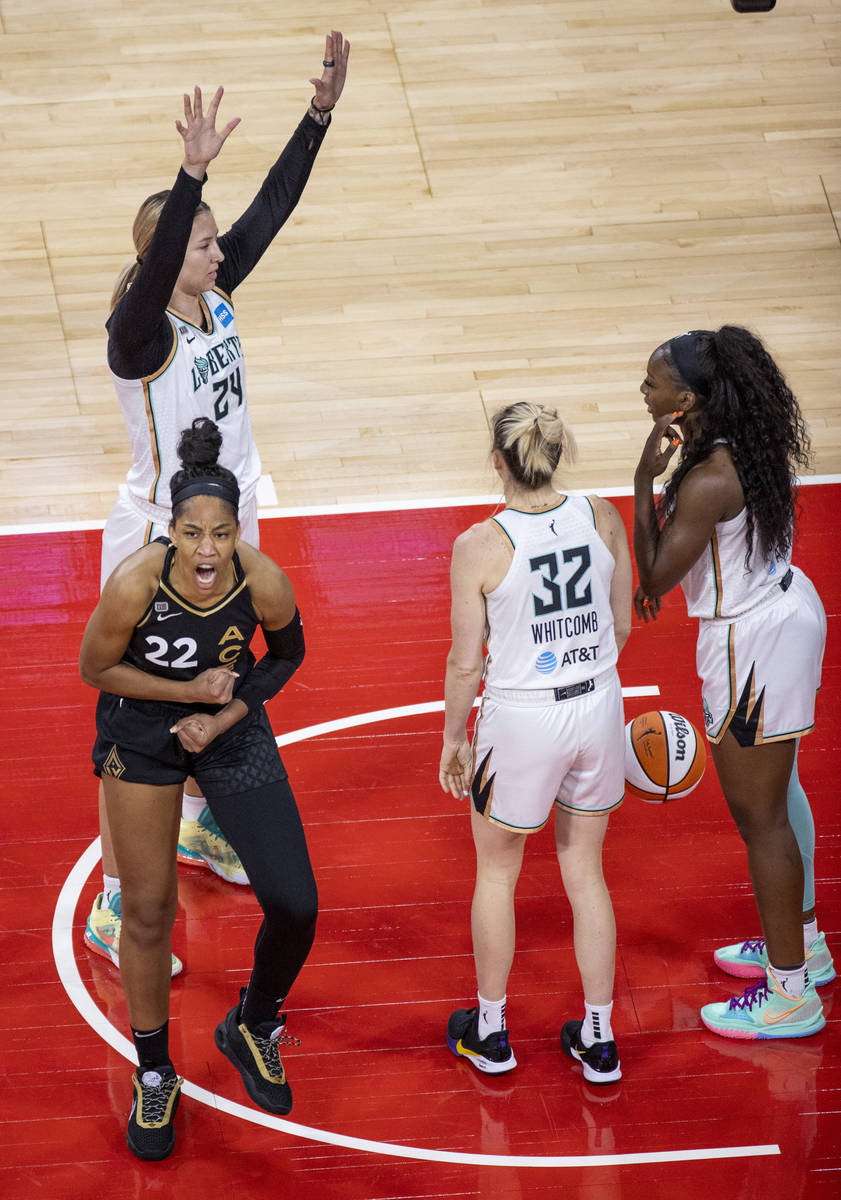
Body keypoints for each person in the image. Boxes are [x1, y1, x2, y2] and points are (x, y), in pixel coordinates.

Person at [84, 31, 349, 978]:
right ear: (165, 254)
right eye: (200, 236)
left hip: (228, 514)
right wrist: (186, 175)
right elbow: (164, 263)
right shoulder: (137, 333)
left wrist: (317, 118)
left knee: (223, 665)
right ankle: (118, 900)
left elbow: (269, 214)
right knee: (134, 716)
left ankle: (193, 828)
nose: (218, 242)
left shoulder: (215, 292)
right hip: (160, 531)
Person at [79, 418, 318, 1160]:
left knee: (295, 901)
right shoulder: (134, 582)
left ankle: (255, 1021)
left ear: (237, 527)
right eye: (193, 534)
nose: (208, 550)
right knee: (148, 912)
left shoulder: (262, 578)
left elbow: (286, 654)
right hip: (141, 733)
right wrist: (186, 694)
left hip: (227, 726)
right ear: (171, 530)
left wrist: (228, 714)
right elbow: (96, 669)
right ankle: (156, 1072)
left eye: (221, 533)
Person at [633, 324, 833, 1040]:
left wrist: (638, 480)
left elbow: (654, 579)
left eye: (653, 383)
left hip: (750, 643)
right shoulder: (743, 442)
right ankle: (803, 950)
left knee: (762, 823)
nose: (644, 391)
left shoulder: (710, 478)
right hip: (781, 608)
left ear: (685, 400)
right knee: (783, 795)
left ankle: (789, 997)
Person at [438, 402, 632, 1085]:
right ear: (555, 454)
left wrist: (454, 738)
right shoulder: (601, 515)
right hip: (597, 706)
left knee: (497, 872)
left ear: (498, 461)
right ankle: (600, 1039)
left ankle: (490, 1033)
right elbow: (620, 623)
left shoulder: (479, 545)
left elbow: (466, 663)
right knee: (585, 871)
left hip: (523, 717)